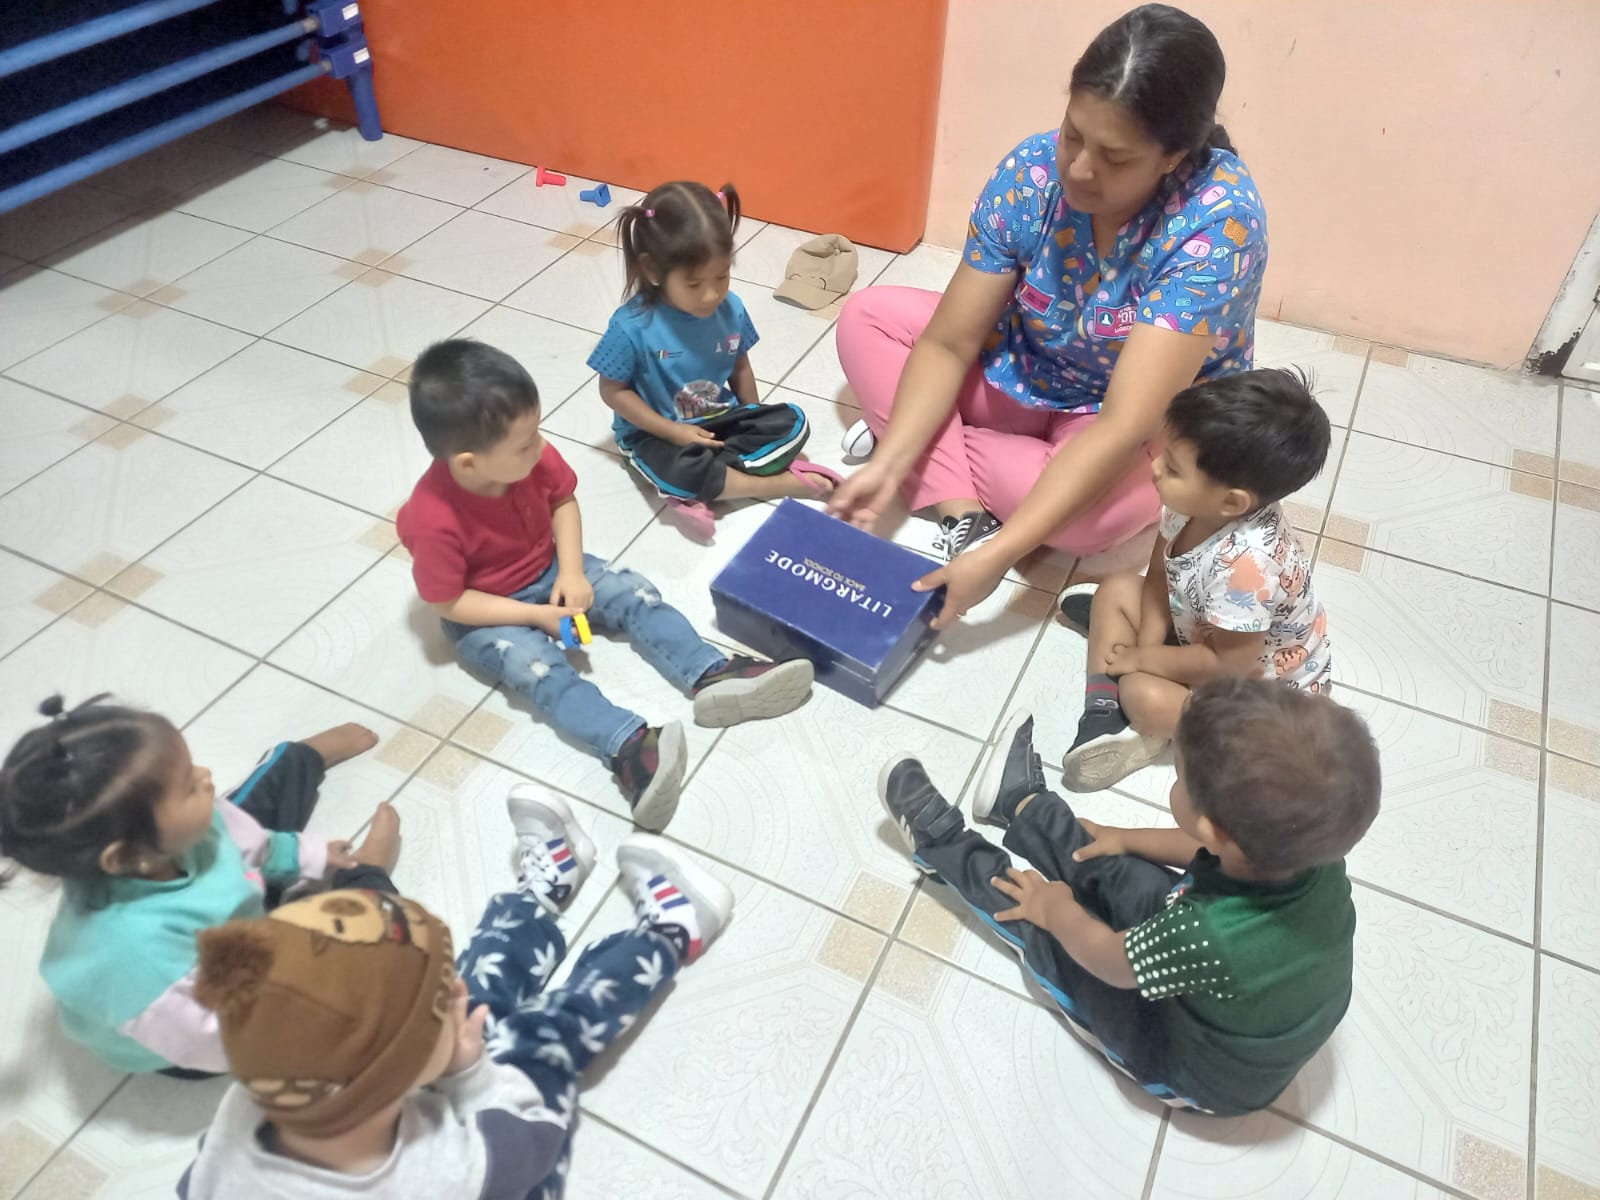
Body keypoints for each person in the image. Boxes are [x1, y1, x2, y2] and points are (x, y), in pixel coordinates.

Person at [827, 4, 1268, 629]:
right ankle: (957, 501)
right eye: (1073, 135)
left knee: (1093, 523)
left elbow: (1123, 424)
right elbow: (950, 343)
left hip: (1125, 418)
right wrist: (890, 461)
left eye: (1115, 158)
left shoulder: (1218, 223)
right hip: (1030, 365)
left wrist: (997, 557)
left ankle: (928, 433)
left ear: (1173, 156)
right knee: (867, 318)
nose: (1079, 170)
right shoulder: (1031, 174)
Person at [176, 788, 734, 1200]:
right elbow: (535, 1143)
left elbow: (195, 1181)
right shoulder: (444, 1174)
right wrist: (473, 1078)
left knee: (476, 997)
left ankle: (538, 898)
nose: (455, 987)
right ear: (404, 1076)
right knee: (538, 1040)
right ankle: (672, 934)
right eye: (442, 996)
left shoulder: (258, 1095)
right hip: (505, 1168)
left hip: (394, 1106)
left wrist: (432, 1028)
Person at [877, 678, 1380, 1116]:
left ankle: (942, 846)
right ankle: (1022, 804)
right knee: (1121, 868)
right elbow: (1208, 849)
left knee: (1048, 932)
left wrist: (1056, 911)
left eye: (1178, 774)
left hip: (1183, 1064)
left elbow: (1112, 961)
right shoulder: (1307, 855)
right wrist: (1124, 837)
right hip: (1225, 983)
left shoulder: (1205, 933)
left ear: (1212, 823)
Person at [396, 338, 814, 831]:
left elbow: (563, 502)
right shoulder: (431, 519)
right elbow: (448, 602)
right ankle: (631, 749)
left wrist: (571, 572)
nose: (541, 446)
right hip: (489, 609)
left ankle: (711, 672)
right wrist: (536, 616)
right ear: (468, 463)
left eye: (537, 431)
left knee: (634, 593)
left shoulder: (533, 457)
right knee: (536, 669)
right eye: (525, 443)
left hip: (551, 567)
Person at [0, 694, 399, 1077]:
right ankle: (365, 874)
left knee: (251, 803)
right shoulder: (139, 959)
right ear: (128, 854)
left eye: (191, 768)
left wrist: (307, 856)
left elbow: (252, 842)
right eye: (187, 786)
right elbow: (226, 1041)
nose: (205, 776)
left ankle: (302, 759)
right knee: (376, 939)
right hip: (200, 1028)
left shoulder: (170, 835)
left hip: (236, 921)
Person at [1056, 367, 1331, 790]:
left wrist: (1142, 661)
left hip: (1254, 696)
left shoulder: (1247, 567)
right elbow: (1158, 576)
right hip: (1206, 636)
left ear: (1231, 502)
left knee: (1141, 694)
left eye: (1174, 468)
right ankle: (1104, 713)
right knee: (1116, 590)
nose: (1155, 469)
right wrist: (1147, 643)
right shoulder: (1192, 504)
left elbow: (1227, 666)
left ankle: (1143, 729)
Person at [587, 180, 841, 540]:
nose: (711, 295)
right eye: (694, 284)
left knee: (793, 422)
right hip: (656, 434)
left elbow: (740, 366)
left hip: (720, 418)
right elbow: (612, 391)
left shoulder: (731, 307)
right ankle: (771, 482)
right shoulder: (630, 327)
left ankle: (714, 482)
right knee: (679, 469)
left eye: (721, 276)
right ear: (653, 270)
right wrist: (673, 431)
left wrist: (752, 414)